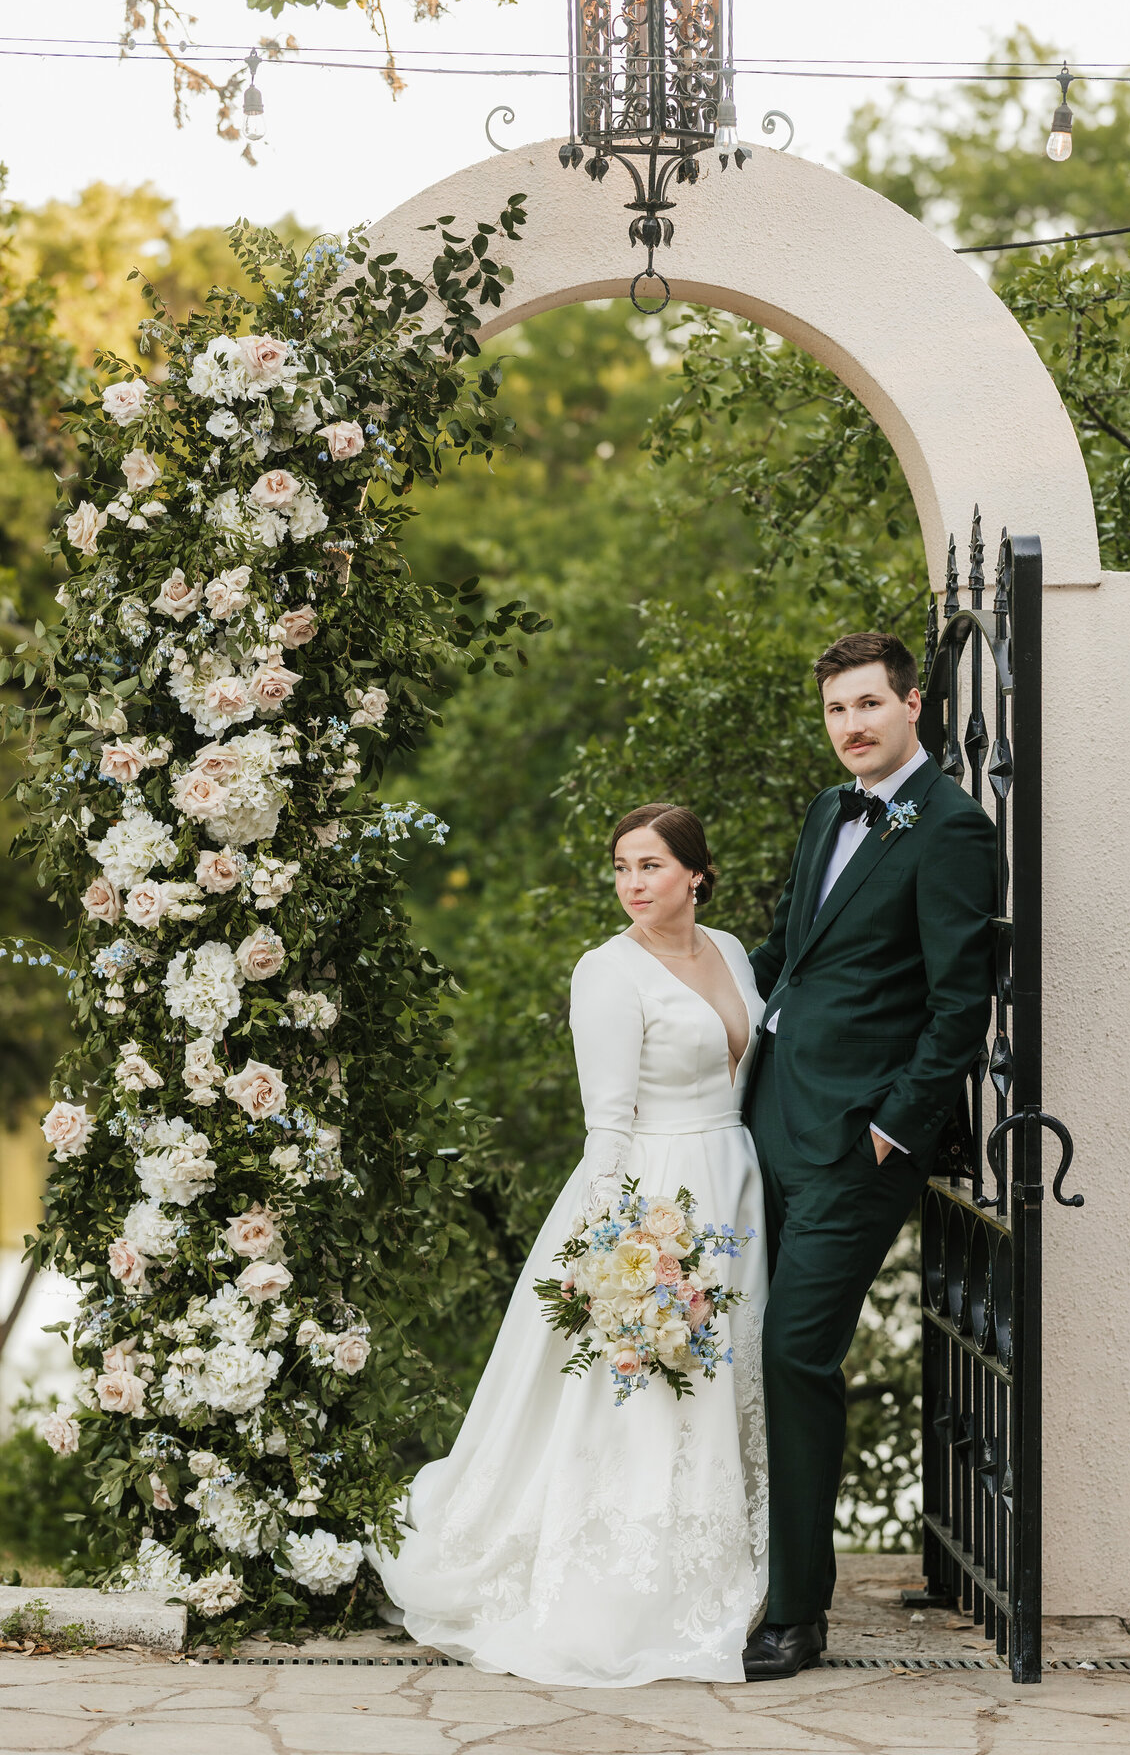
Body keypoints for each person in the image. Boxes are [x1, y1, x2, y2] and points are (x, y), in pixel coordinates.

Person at [368, 803, 769, 1686]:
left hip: (733, 1181)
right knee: (645, 1383)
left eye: (651, 866)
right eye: (622, 867)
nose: (632, 884)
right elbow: (609, 1122)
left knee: (722, 1372)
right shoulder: (605, 972)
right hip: (652, 1194)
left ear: (696, 873)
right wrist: (613, 1245)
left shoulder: (733, 952)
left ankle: (722, 1561)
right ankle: (628, 1580)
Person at [742, 631, 995, 1681]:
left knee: (795, 1354)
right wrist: (672, 994)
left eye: (868, 706)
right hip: (765, 1122)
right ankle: (726, 1573)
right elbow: (788, 956)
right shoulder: (823, 811)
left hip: (857, 1149)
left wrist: (894, 1127)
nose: (851, 727)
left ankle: (797, 1611)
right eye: (838, 710)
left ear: (914, 705)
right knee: (734, 1349)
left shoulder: (952, 829)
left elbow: (959, 1004)